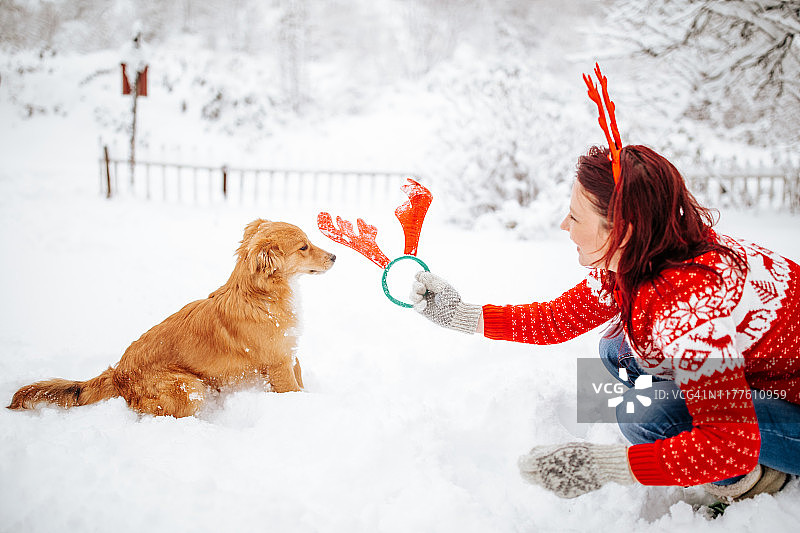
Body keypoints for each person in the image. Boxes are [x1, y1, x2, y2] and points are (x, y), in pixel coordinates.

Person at [409, 68, 800, 503]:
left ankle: (757, 482)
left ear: (623, 230)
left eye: (576, 217)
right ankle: (703, 402)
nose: (564, 225)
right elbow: (557, 319)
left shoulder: (687, 306)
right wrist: (460, 314)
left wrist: (604, 465)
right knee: (617, 349)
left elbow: (730, 444)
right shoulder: (648, 253)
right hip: (767, 371)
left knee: (644, 418)